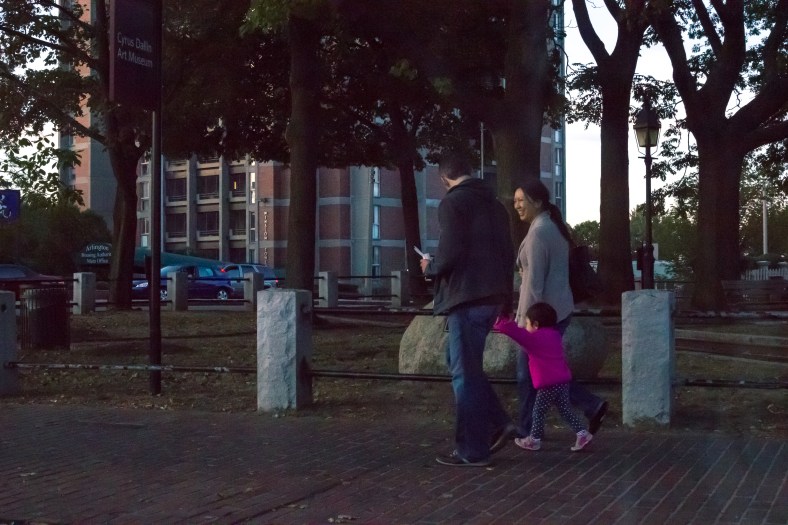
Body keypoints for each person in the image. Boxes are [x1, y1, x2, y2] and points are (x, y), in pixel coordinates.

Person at [420, 152, 517, 467]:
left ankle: (472, 449)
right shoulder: (496, 206)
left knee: (464, 375)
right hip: (493, 296)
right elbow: (507, 253)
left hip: (466, 297)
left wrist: (430, 266)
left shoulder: (452, 203)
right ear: (469, 171)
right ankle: (499, 422)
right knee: (463, 364)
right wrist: (506, 297)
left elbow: (450, 253)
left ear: (444, 178)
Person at [513, 179, 608, 437]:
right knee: (543, 374)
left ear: (537, 202)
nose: (517, 206)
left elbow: (534, 284)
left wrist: (525, 322)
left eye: (521, 200)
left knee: (530, 375)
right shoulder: (552, 227)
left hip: (542, 317)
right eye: (515, 201)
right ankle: (588, 406)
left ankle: (529, 431)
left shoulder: (538, 233)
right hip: (557, 310)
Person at [494, 302, 593, 452]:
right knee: (565, 410)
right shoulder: (554, 335)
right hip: (562, 380)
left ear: (535, 324)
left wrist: (502, 321)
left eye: (527, 323)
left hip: (548, 383)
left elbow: (515, 333)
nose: (525, 326)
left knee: (538, 411)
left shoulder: (535, 339)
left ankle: (534, 440)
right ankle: (582, 433)